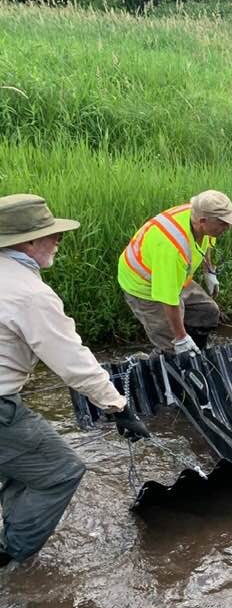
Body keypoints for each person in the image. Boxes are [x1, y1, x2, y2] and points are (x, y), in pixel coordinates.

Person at [0, 194, 149, 568]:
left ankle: (12, 533)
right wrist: (118, 406)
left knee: (27, 468)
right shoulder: (30, 294)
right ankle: (13, 563)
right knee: (62, 471)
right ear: (27, 243)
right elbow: (73, 362)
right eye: (52, 235)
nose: (58, 241)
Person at [118, 190, 232, 355]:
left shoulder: (200, 217)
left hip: (173, 276)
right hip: (144, 285)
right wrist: (180, 337)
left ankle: (197, 355)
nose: (228, 227)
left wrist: (209, 271)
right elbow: (168, 299)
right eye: (223, 223)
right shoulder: (172, 250)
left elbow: (205, 242)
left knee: (207, 313)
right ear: (203, 221)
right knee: (172, 347)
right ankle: (157, 362)